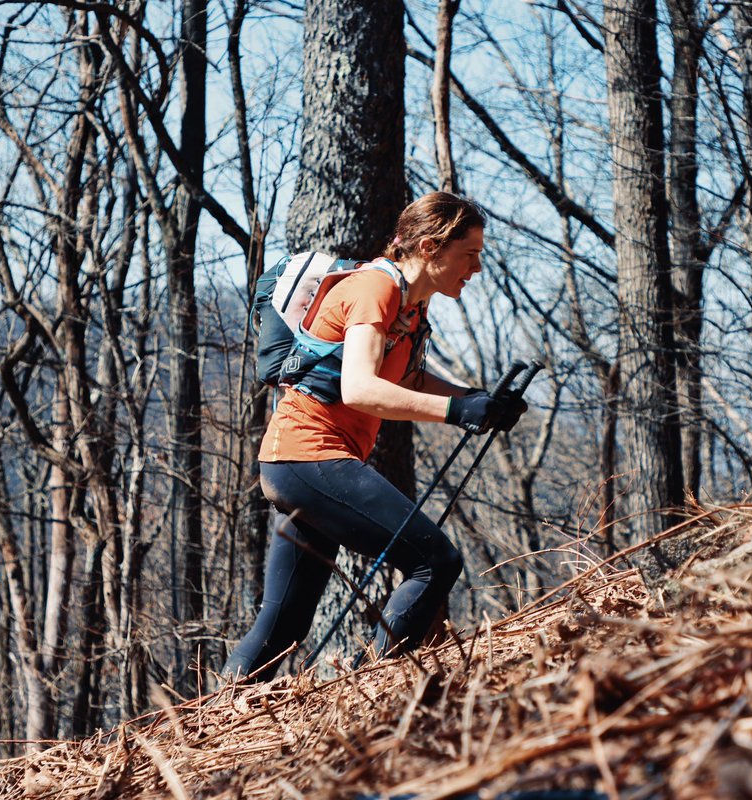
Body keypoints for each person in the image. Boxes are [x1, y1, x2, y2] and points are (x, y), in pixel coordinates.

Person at [222, 192, 526, 682]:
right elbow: (361, 387)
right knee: (435, 561)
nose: (477, 269)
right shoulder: (374, 289)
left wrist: (480, 400)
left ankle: (217, 735)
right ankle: (375, 694)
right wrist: (457, 410)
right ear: (430, 247)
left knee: (284, 627)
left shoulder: (411, 308)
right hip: (308, 456)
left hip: (300, 462)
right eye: (470, 255)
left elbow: (406, 382)